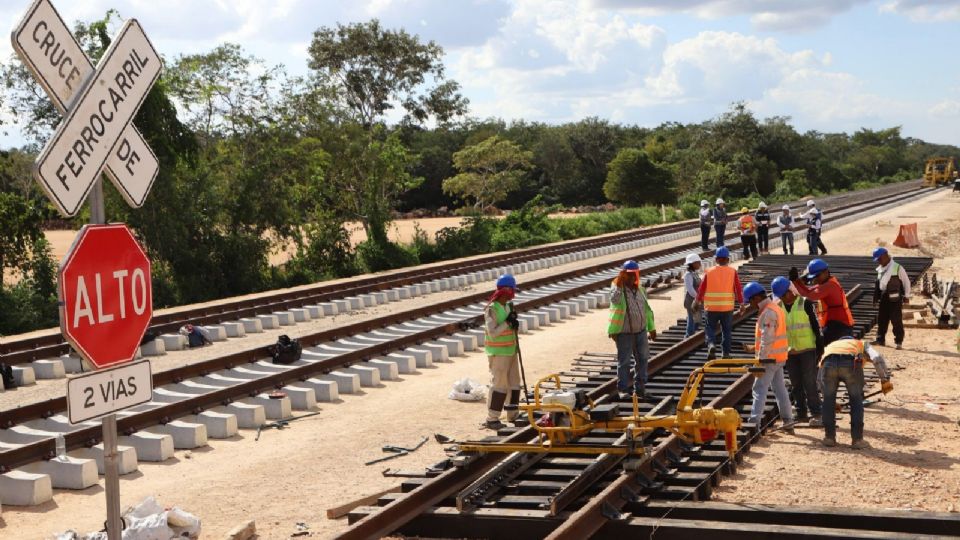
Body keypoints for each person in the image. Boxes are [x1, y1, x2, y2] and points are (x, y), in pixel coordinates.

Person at [819, 336, 893, 449]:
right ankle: (857, 440)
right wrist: (884, 380)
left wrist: (829, 401)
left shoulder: (831, 346)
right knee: (856, 400)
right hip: (851, 365)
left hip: (829, 365)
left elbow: (819, 379)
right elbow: (877, 358)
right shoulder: (861, 344)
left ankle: (829, 438)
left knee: (828, 402)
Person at [740, 281, 794, 433]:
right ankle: (788, 421)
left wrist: (760, 361)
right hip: (778, 358)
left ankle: (754, 424)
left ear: (756, 298)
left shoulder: (768, 312)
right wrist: (754, 348)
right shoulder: (774, 307)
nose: (750, 305)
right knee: (779, 389)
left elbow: (768, 339)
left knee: (759, 389)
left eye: (750, 301)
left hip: (769, 359)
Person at [772, 277, 822, 426]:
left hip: (807, 349)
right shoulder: (778, 307)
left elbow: (816, 326)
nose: (781, 298)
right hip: (790, 352)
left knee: (809, 382)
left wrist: (820, 349)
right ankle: (801, 412)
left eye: (783, 294)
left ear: (789, 292)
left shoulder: (805, 303)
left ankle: (816, 412)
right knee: (796, 383)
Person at [609, 260, 656, 400]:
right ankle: (623, 389)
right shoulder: (617, 287)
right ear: (623, 275)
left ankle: (640, 389)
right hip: (624, 333)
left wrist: (651, 328)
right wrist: (619, 283)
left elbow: (646, 310)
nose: (632, 278)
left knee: (643, 359)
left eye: (634, 275)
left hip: (641, 331)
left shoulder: (640, 289)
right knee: (624, 362)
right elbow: (615, 300)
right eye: (628, 275)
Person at [484, 274, 522, 429]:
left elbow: (508, 327)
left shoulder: (508, 305)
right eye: (512, 290)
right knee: (499, 385)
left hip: (511, 350)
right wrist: (508, 322)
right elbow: (493, 332)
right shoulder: (491, 309)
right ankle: (492, 418)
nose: (513, 293)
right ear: (506, 290)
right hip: (498, 353)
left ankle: (512, 413)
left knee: (514, 383)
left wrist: (514, 323)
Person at [790, 259, 854, 345]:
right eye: (813, 277)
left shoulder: (829, 286)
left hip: (840, 326)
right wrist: (797, 281)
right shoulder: (827, 283)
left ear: (826, 272)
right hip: (836, 324)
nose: (815, 279)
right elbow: (808, 291)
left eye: (817, 276)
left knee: (819, 344)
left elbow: (808, 296)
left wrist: (794, 282)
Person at [696, 247, 743, 359]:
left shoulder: (709, 271)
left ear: (716, 259)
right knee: (726, 331)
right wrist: (741, 304)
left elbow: (702, 288)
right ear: (727, 259)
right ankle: (726, 354)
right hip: (727, 308)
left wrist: (697, 300)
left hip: (711, 308)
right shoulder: (732, 272)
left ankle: (711, 344)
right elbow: (738, 288)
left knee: (710, 328)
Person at [872, 247, 911, 350]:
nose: (878, 262)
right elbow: (880, 285)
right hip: (884, 298)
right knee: (882, 320)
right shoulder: (881, 269)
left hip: (895, 300)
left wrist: (907, 296)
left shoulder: (898, 268)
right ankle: (880, 339)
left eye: (879, 259)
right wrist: (876, 298)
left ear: (885, 256)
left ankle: (899, 341)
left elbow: (906, 282)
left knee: (896, 320)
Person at [683, 253, 703, 337]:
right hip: (691, 301)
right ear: (692, 263)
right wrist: (698, 297)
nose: (700, 264)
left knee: (697, 319)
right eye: (698, 262)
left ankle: (692, 335)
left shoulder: (694, 273)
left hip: (696, 300)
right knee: (692, 319)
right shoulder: (688, 275)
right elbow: (690, 289)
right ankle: (688, 336)